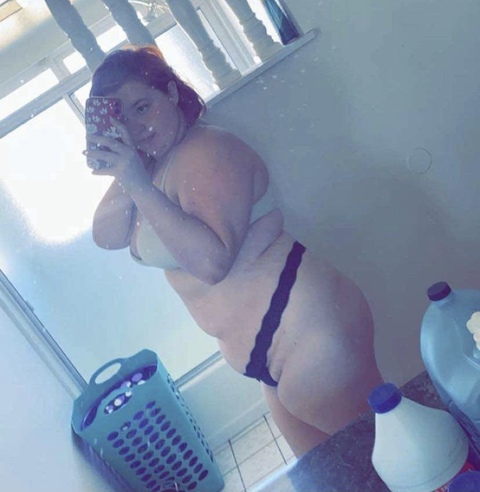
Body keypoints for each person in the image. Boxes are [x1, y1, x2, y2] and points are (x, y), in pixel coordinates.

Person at [85, 44, 383, 457]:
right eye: (123, 118)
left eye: (142, 107)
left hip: (308, 332)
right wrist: (124, 168)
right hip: (274, 353)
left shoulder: (206, 151)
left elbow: (213, 262)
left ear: (169, 93)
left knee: (398, 465)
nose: (137, 126)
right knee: (336, 478)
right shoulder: (150, 166)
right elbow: (106, 236)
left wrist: (135, 181)